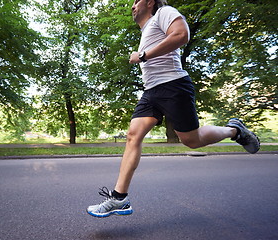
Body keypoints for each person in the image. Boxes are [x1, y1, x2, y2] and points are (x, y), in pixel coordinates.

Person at [86, 0, 260, 218]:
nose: (131, 6)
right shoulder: (147, 31)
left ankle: (234, 130)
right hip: (151, 92)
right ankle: (119, 198)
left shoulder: (163, 13)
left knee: (191, 140)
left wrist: (142, 55)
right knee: (133, 135)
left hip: (173, 85)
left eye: (136, 1)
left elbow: (181, 35)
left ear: (150, 2)